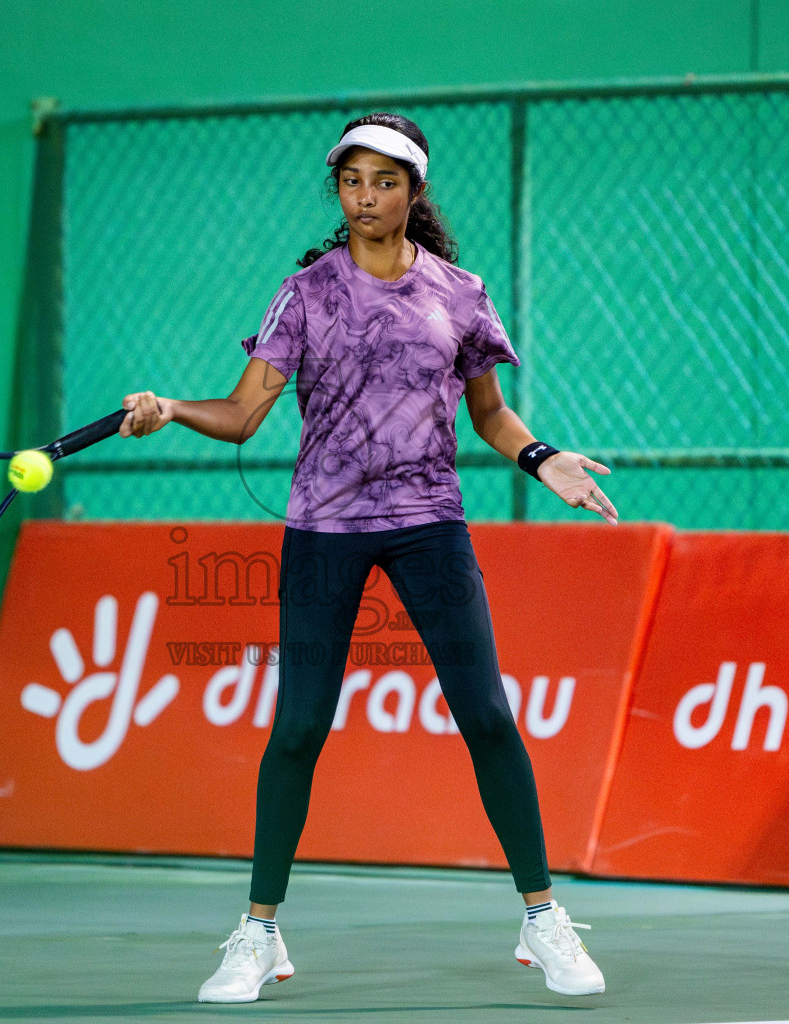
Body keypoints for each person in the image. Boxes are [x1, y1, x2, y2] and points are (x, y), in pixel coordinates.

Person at [117, 112, 618, 1003]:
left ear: (414, 192)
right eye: (353, 181)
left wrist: (547, 463)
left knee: (487, 716)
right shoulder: (304, 293)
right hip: (324, 530)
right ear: (337, 189)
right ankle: (258, 933)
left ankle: (543, 920)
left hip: (429, 524)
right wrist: (171, 408)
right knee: (300, 726)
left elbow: (491, 415)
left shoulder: (459, 294)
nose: (367, 197)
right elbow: (241, 414)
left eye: (386, 182)